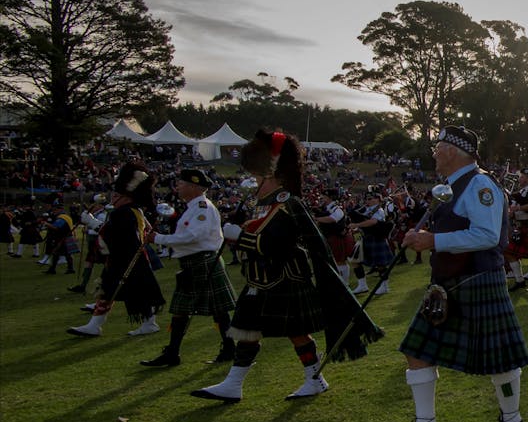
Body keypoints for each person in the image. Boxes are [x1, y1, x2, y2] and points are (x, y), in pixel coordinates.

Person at [191, 130, 381, 404]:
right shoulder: (262, 204)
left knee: (295, 332)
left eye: (257, 175)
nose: (254, 180)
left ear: (271, 171)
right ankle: (233, 384)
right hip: (259, 279)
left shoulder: (287, 203)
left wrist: (238, 236)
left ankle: (315, 379)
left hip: (284, 278)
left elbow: (276, 245)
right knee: (247, 330)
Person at [380, 126, 528, 422]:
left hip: (478, 279)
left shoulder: (480, 184)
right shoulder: (452, 186)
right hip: (448, 282)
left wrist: (433, 240)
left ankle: (512, 420)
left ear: (453, 150)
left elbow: (488, 235)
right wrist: (424, 234)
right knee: (416, 350)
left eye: (438, 147)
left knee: (500, 357)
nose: (433, 153)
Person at [139, 169, 237, 368]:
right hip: (194, 262)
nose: (178, 187)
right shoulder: (193, 207)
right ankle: (175, 352)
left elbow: (194, 236)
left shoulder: (202, 207)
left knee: (208, 310)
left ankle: (226, 349)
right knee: (191, 310)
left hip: (201, 261)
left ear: (193, 187)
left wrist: (159, 238)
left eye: (181, 184)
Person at [68, 162, 165, 338]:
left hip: (127, 259)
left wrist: (92, 223)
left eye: (117, 195)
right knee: (109, 291)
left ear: (127, 197)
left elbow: (113, 234)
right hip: (125, 258)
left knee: (134, 292)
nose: (113, 197)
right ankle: (95, 325)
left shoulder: (125, 212)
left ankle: (148, 323)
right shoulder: (132, 211)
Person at [349, 187, 395, 295]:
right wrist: (357, 228)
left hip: (376, 239)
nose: (367, 201)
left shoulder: (379, 210)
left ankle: (384, 286)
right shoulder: (368, 210)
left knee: (380, 264)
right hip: (366, 238)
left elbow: (373, 222)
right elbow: (367, 223)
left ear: (378, 199)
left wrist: (357, 224)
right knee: (354, 260)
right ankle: (362, 285)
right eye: (367, 199)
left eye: (370, 199)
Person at [69, 197, 108, 294]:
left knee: (107, 264)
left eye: (95, 205)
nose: (92, 207)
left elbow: (102, 229)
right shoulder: (96, 214)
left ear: (100, 205)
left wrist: (88, 230)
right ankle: (83, 285)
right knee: (89, 262)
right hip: (94, 243)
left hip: (101, 242)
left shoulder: (103, 215)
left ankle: (102, 286)